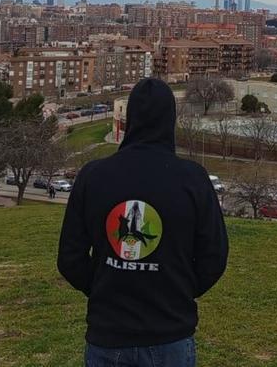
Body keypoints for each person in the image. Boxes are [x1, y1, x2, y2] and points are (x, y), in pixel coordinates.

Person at [58, 78, 228, 367]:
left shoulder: (93, 176)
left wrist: (102, 286)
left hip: (108, 335)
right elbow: (214, 257)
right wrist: (179, 291)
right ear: (170, 121)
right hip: (170, 334)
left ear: (130, 119)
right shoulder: (192, 180)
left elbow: (70, 259)